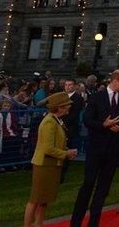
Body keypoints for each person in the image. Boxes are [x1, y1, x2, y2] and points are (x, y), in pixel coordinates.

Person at [70, 69, 119, 227]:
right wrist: (103, 125)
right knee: (88, 185)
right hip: (96, 149)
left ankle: (93, 223)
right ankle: (75, 222)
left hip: (113, 150)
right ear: (115, 81)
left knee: (103, 190)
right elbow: (87, 120)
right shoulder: (97, 97)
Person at [25, 92, 78, 227]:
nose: (69, 108)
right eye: (67, 105)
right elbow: (48, 148)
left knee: (44, 200)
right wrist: (66, 153)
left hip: (51, 164)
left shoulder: (55, 120)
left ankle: (38, 224)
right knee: (36, 199)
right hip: (44, 164)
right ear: (60, 107)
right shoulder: (49, 122)